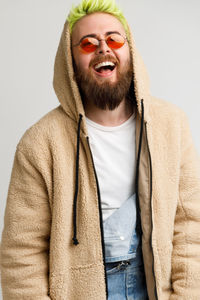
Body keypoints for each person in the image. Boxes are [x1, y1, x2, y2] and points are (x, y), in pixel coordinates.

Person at [1, 0, 200, 299]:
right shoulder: (40, 143)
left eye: (114, 39)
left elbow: (189, 229)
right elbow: (22, 255)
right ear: (69, 63)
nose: (103, 49)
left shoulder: (171, 125)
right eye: (87, 44)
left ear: (129, 49)